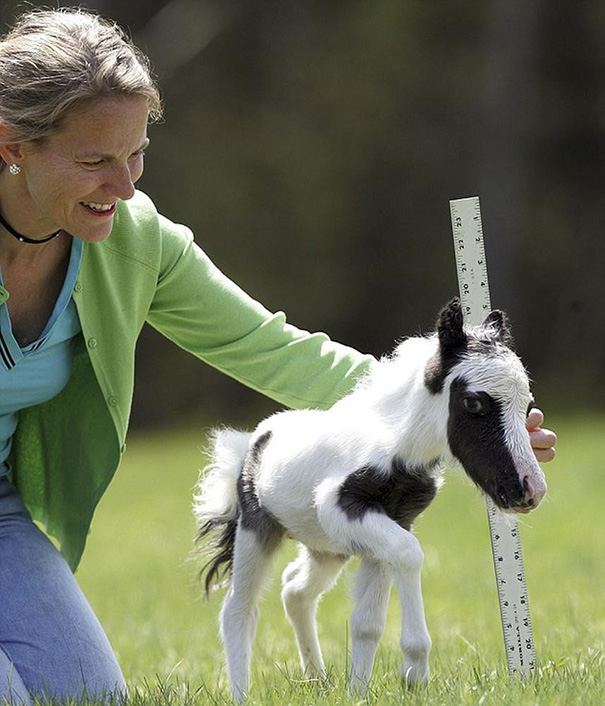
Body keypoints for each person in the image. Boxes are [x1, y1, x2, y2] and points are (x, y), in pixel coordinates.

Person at [0, 7, 557, 704]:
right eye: (94, 162)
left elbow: (274, 351)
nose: (127, 186)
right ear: (11, 145)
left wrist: (441, 407)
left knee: (83, 696)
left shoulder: (135, 244)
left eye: (136, 154)